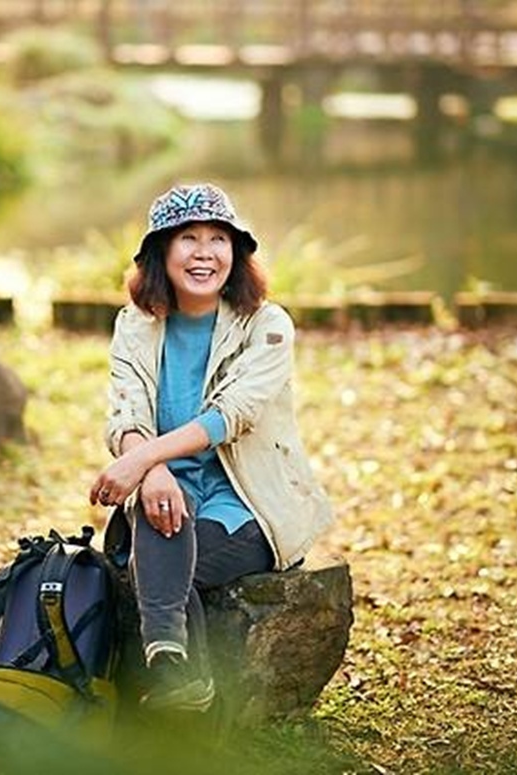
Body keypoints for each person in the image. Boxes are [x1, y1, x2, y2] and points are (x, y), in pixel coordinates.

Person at [88, 182, 334, 712]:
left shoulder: (267, 325)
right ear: (161, 252)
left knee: (168, 568)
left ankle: (173, 669)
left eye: (218, 239)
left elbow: (234, 413)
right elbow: (125, 411)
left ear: (236, 252)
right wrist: (154, 471)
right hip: (167, 490)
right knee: (163, 519)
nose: (205, 253)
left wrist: (142, 460)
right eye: (189, 238)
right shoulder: (135, 324)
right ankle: (180, 677)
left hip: (248, 501)